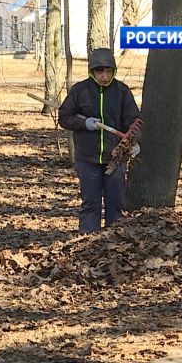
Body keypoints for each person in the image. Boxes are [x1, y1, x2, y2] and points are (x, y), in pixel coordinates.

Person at [58, 48, 143, 234]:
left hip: (115, 158)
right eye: (99, 71)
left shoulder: (122, 92)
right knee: (90, 203)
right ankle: (89, 242)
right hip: (87, 158)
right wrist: (84, 123)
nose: (104, 76)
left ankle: (115, 241)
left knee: (116, 203)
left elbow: (134, 121)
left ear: (113, 71)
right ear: (92, 71)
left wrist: (133, 142)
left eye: (108, 71)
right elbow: (64, 117)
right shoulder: (80, 91)